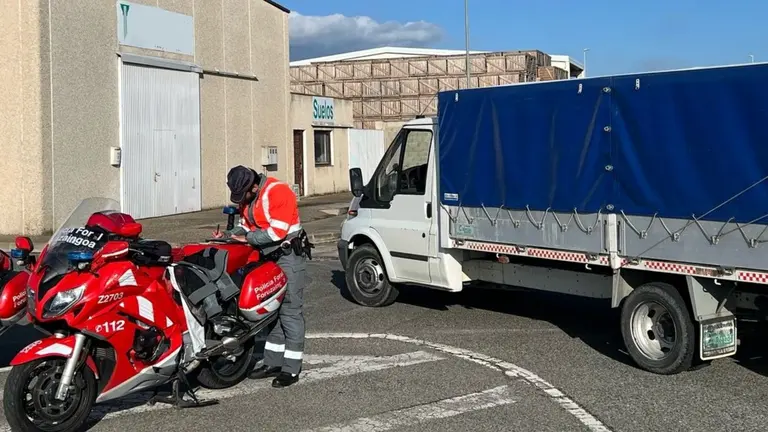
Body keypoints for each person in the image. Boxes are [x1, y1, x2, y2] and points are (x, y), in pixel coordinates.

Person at [213, 165, 310, 388]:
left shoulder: (278, 192)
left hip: (288, 256)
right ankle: (272, 363)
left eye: (243, 196)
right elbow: (245, 226)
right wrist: (227, 235)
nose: (241, 201)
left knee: (290, 311)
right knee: (270, 311)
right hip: (267, 257)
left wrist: (247, 239)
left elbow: (277, 232)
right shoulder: (249, 198)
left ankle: (291, 369)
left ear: (254, 187)